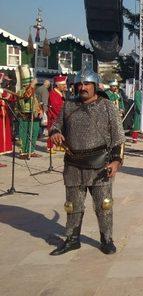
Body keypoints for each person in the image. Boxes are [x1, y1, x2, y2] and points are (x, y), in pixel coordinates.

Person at [48, 67, 125, 255]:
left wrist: (116, 161)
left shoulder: (107, 106)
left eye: (87, 84)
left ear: (95, 86)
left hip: (99, 164)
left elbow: (118, 137)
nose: (82, 87)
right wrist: (55, 133)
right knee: (73, 205)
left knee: (104, 204)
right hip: (73, 163)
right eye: (79, 84)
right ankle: (72, 239)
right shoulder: (68, 105)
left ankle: (106, 239)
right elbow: (55, 125)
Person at [16, 74, 42, 159]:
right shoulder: (22, 91)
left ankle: (31, 150)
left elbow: (36, 102)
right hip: (25, 116)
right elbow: (27, 96)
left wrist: (39, 110)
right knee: (23, 134)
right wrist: (32, 85)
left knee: (34, 133)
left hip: (34, 115)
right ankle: (23, 152)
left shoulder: (33, 90)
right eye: (31, 82)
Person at [46, 75, 67, 152]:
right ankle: (50, 146)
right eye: (63, 85)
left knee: (60, 131)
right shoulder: (53, 93)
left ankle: (59, 145)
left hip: (59, 115)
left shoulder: (61, 93)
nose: (65, 86)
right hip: (54, 116)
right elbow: (56, 106)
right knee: (52, 130)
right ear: (58, 85)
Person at [0, 74, 16, 166]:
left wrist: (10, 96)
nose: (2, 82)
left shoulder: (3, 90)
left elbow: (12, 98)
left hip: (4, 117)